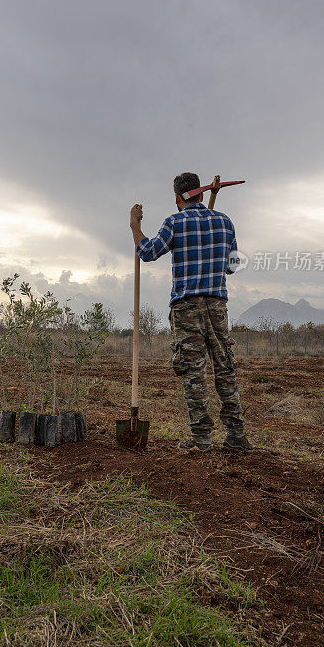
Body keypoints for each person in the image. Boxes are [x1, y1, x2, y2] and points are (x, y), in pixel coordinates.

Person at [129, 172, 252, 454]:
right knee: (225, 368)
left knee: (193, 372)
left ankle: (202, 439)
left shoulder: (175, 222)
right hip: (217, 306)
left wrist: (134, 226)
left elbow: (147, 252)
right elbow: (232, 266)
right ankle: (236, 436)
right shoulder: (224, 221)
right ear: (201, 192)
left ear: (176, 197)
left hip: (186, 308)